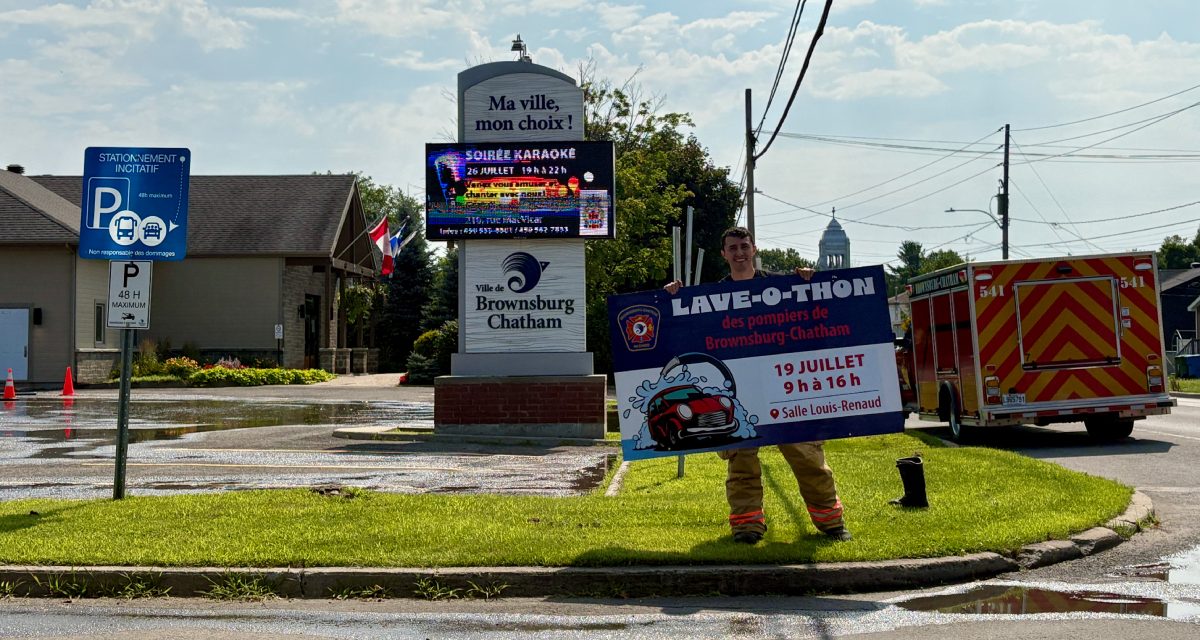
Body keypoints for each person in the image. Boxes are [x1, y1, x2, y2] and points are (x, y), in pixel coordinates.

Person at [665, 226, 852, 544]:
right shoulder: (711, 297)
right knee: (741, 463)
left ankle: (832, 524)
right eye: (732, 248)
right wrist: (671, 297)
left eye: (744, 246)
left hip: (783, 389)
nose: (739, 253)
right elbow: (686, 332)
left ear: (754, 249)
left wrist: (809, 280)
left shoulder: (782, 286)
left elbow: (817, 316)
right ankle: (747, 527)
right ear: (724, 254)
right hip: (738, 394)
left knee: (807, 457)